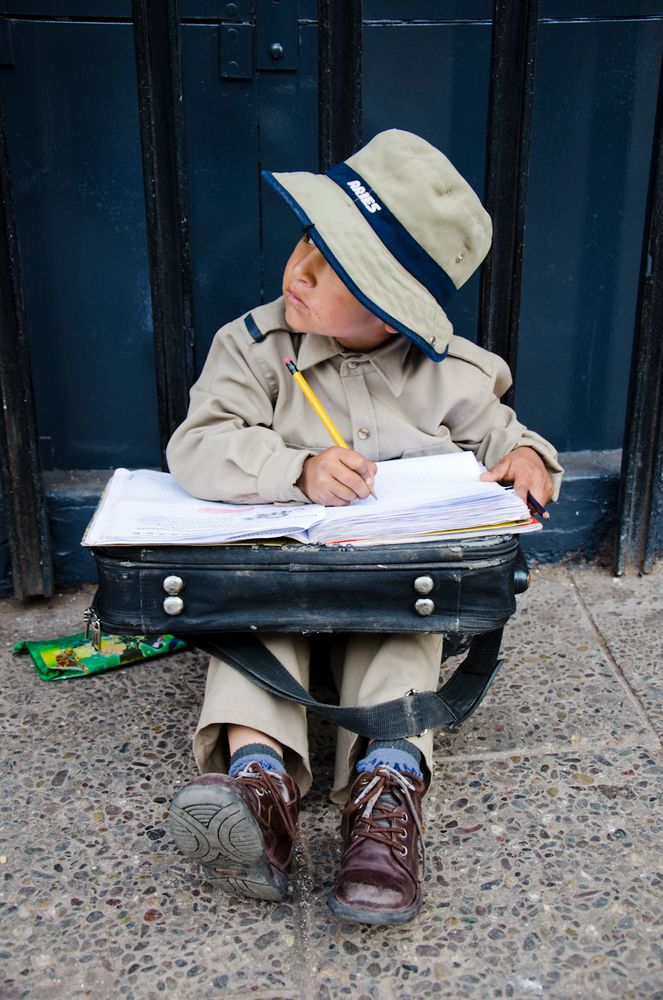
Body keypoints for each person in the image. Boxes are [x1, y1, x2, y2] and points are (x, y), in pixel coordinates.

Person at [166, 129, 563, 926]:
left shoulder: (448, 370)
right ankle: (258, 785)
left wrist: (528, 459)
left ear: (393, 305)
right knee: (251, 629)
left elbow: (504, 434)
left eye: (337, 266)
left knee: (403, 634)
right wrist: (294, 470)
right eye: (309, 239)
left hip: (389, 585)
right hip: (280, 577)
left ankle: (385, 793)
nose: (301, 269)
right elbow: (196, 446)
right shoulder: (253, 348)